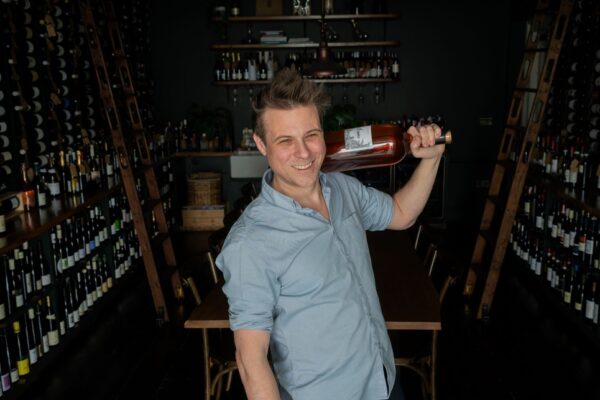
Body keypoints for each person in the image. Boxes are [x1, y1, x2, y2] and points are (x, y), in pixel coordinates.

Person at [216, 68, 445, 400]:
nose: (304, 152)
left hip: (382, 380)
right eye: (285, 140)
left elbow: (401, 213)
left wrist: (431, 160)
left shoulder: (343, 188)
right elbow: (251, 361)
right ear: (261, 144)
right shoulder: (250, 241)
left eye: (311, 135)